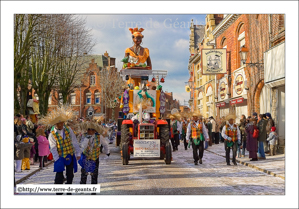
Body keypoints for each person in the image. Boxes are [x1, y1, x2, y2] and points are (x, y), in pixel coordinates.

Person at [39, 105, 81, 195]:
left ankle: (69, 190)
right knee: (59, 175)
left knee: (70, 175)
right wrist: (57, 159)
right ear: (55, 124)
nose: (61, 125)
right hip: (60, 156)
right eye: (59, 123)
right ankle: (59, 192)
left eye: (62, 123)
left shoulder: (68, 129)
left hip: (70, 154)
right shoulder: (52, 134)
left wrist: (78, 152)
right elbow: (53, 148)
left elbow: (74, 141)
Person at [79, 121, 110, 194]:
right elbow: (82, 146)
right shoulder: (84, 136)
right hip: (86, 157)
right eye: (89, 129)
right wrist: (87, 139)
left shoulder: (99, 136)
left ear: (95, 130)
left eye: (92, 130)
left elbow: (105, 144)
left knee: (94, 174)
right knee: (84, 174)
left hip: (95, 158)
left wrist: (107, 152)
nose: (90, 131)